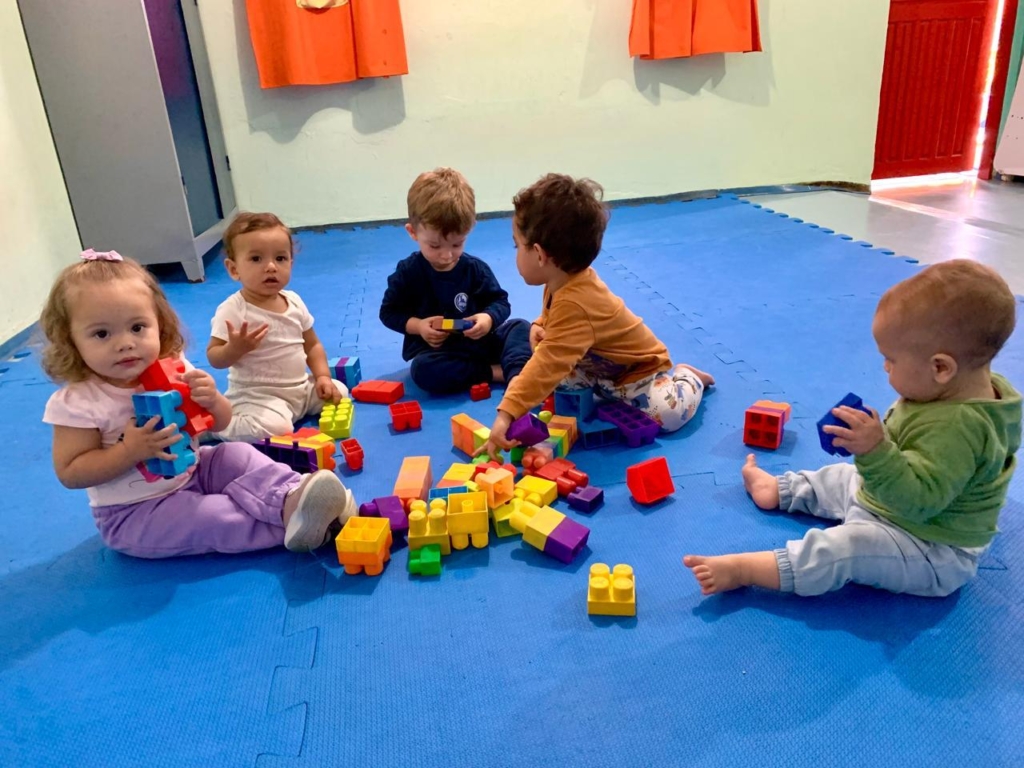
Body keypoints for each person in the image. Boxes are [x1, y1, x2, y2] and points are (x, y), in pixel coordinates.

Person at [685, 259, 1021, 597]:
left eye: (891, 359)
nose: (885, 366)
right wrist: (875, 444)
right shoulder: (963, 387)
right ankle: (782, 489)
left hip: (928, 545)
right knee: (843, 476)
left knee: (846, 548)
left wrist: (876, 451)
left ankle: (748, 570)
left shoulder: (959, 429)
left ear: (941, 368)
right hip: (893, 501)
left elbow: (919, 502)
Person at [41, 250, 355, 558]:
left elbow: (222, 422)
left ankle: (291, 497)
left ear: (159, 325)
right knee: (213, 516)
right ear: (70, 341)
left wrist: (213, 400)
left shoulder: (174, 369)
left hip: (194, 471)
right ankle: (304, 525)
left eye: (137, 328)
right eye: (101, 334)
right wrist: (129, 451)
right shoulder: (78, 402)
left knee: (236, 454)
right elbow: (71, 472)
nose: (125, 343)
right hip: (136, 512)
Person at [477, 173, 714, 459]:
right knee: (550, 374)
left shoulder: (577, 300)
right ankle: (597, 394)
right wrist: (540, 325)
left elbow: (548, 363)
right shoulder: (560, 279)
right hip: (597, 368)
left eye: (517, 245)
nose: (515, 253)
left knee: (666, 416)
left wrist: (507, 413)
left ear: (539, 254)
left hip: (636, 373)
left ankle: (689, 378)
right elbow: (554, 327)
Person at [379, 167, 532, 395]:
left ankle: (518, 375)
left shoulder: (474, 269)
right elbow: (389, 313)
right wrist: (419, 326)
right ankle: (496, 372)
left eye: (457, 244)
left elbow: (500, 302)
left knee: (520, 327)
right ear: (413, 232)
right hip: (439, 352)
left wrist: (487, 318)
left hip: (481, 343)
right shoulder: (408, 273)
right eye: (435, 246)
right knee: (422, 370)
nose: (447, 255)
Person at [208, 212, 346, 441]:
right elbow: (214, 356)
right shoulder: (233, 310)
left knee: (339, 391)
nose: (271, 266)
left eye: (280, 258)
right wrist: (234, 349)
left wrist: (322, 377)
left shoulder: (294, 301)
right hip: (259, 397)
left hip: (300, 389)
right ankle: (216, 426)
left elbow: (312, 345)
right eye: (256, 259)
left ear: (291, 263)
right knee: (275, 427)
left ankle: (295, 410)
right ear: (234, 269)